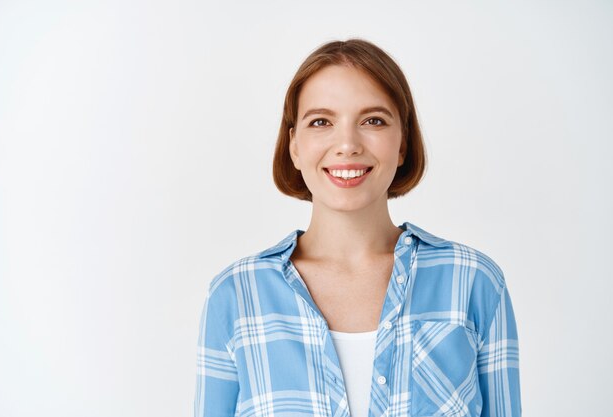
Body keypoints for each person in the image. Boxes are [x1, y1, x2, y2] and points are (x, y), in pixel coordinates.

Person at [194, 38, 521, 417]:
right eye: (321, 122)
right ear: (294, 145)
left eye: (373, 121)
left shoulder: (472, 281)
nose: (347, 144)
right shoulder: (236, 295)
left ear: (402, 143)